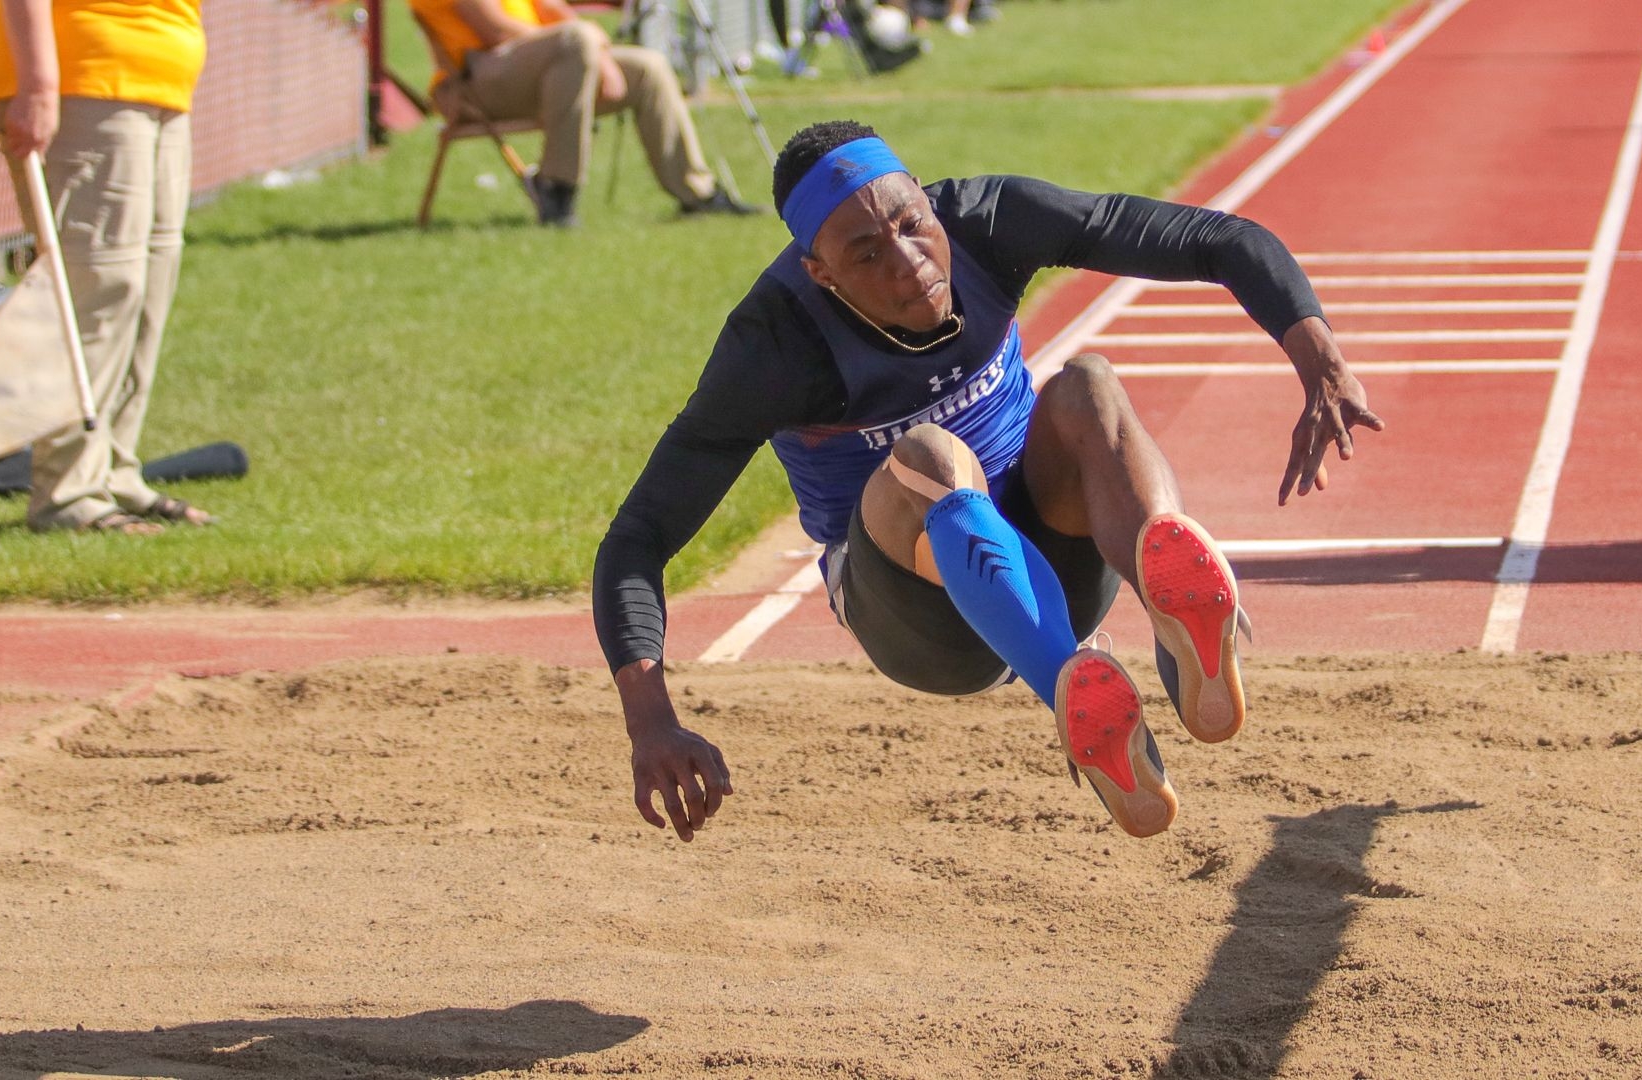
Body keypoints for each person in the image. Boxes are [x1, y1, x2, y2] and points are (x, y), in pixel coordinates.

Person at [594, 120, 1381, 842]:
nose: (909, 265)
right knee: (932, 454)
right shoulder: (772, 345)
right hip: (922, 622)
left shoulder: (986, 222)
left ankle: (1177, 630)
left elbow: (1215, 238)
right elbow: (638, 540)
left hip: (1060, 563)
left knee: (1089, 385)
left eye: (911, 225)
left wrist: (1321, 355)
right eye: (866, 253)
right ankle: (1074, 695)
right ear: (821, 275)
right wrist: (651, 721)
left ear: (931, 203)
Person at [0, 0, 214, 534]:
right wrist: (38, 85)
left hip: (158, 81)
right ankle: (68, 494)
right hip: (82, 78)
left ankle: (114, 474)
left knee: (147, 286)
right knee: (96, 285)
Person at [408, 0, 760, 226]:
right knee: (575, 39)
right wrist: (584, 47)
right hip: (475, 82)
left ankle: (696, 193)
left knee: (646, 68)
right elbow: (495, 29)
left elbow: (551, 8)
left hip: (541, 66)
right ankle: (556, 189)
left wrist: (596, 54)